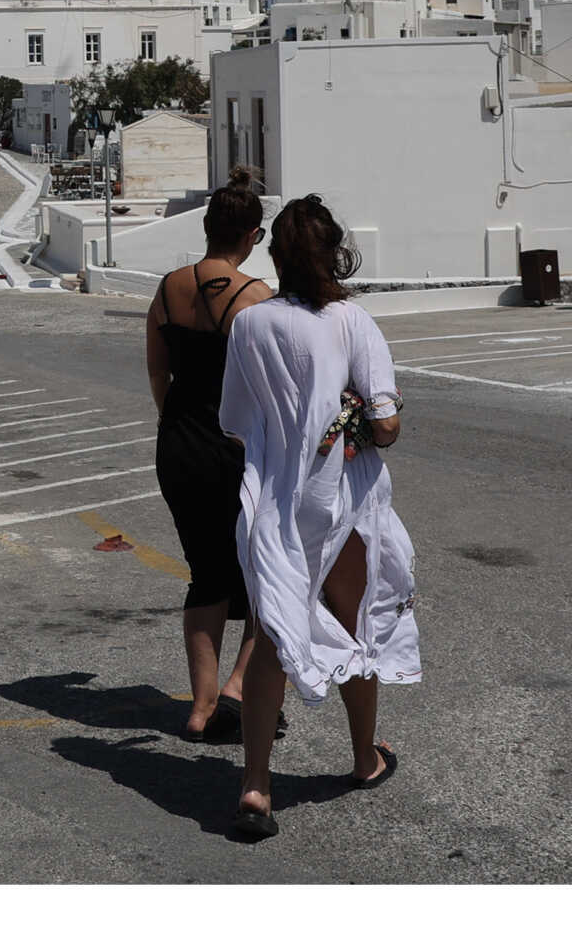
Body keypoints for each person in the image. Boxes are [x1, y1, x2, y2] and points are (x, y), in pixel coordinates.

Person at [218, 193, 419, 840]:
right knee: (352, 622)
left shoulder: (249, 325)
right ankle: (364, 759)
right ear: (335, 253)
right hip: (344, 499)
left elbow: (235, 423)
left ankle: (255, 786)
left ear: (275, 255)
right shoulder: (351, 321)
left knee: (274, 633)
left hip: (275, 502)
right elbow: (385, 425)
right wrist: (358, 416)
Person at [144, 171, 274, 742]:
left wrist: (174, 419)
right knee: (265, 572)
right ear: (253, 235)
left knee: (206, 574)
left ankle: (199, 708)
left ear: (205, 227)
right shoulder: (256, 298)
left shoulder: (168, 287)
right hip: (237, 448)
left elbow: (157, 369)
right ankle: (239, 690)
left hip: (178, 444)